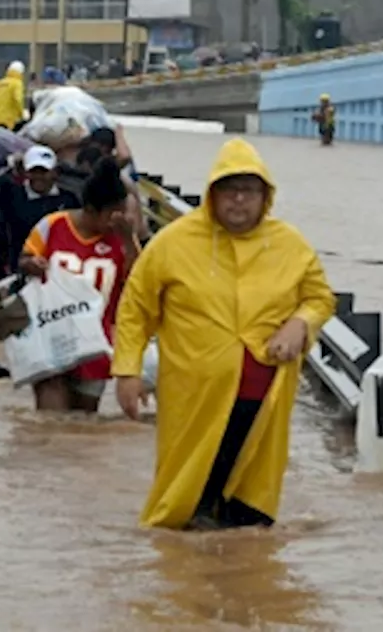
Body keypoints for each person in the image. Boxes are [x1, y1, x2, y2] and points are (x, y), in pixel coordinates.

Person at [112, 139, 336, 531]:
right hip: (194, 399)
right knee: (184, 506)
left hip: (262, 398)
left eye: (248, 190)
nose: (238, 200)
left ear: (265, 195)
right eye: (229, 189)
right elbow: (135, 309)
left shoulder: (290, 245)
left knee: (249, 516)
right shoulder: (173, 243)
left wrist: (300, 323)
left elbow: (319, 298)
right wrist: (127, 371)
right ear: (212, 192)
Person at [19, 158, 139, 412]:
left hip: (95, 343)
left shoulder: (122, 239)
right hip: (50, 335)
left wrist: (128, 240)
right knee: (51, 420)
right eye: (113, 213)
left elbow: (139, 283)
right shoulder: (52, 226)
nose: (119, 219)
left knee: (83, 425)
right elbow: (24, 260)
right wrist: (32, 264)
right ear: (92, 210)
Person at [0, 144, 80, 276]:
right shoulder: (11, 194)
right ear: (25, 172)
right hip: (21, 270)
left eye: (44, 171)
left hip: (61, 269)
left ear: (55, 172)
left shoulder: (69, 199)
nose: (38, 177)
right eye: (33, 171)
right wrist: (10, 161)